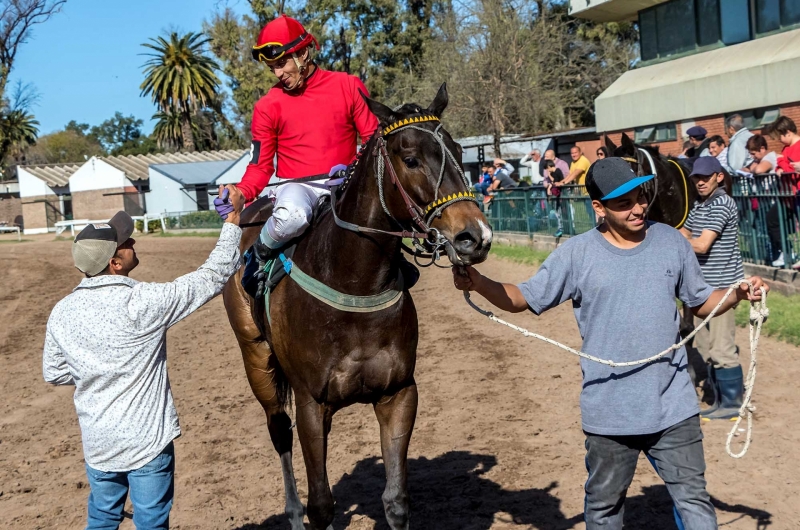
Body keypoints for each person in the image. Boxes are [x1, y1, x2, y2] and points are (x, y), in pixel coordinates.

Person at [452, 156, 768, 530]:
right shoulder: (577, 254)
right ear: (599, 208)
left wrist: (737, 293)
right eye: (623, 203)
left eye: (640, 197)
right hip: (609, 413)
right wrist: (478, 281)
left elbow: (700, 303)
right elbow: (522, 298)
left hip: (674, 407)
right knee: (603, 509)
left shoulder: (670, 241)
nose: (638, 208)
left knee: (694, 501)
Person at [43, 185, 246, 529]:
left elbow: (55, 372)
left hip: (99, 443)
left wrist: (96, 369)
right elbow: (213, 275)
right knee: (151, 522)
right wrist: (234, 220)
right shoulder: (144, 302)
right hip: (147, 441)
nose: (133, 243)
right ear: (115, 262)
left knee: (102, 518)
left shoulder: (61, 312)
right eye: (127, 243)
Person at [213, 15, 378, 258]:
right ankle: (258, 257)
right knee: (293, 216)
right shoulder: (266, 106)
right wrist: (241, 192)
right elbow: (260, 166)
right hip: (297, 189)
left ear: (302, 54)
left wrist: (353, 169)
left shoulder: (349, 85)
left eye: (281, 64)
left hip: (347, 182)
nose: (278, 73)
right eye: (272, 68)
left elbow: (373, 141)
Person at [680, 157, 745, 420]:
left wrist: (682, 237)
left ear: (719, 177)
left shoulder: (721, 203)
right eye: (696, 177)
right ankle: (718, 400)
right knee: (707, 349)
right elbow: (685, 233)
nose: (700, 181)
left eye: (705, 177)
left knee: (722, 349)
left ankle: (732, 404)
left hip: (723, 288)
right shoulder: (699, 205)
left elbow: (701, 244)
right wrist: (684, 236)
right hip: (704, 288)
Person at [765, 116, 800, 269]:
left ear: (787, 132)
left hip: (796, 192)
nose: (778, 140)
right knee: (772, 219)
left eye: (779, 136)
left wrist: (782, 164)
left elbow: (792, 168)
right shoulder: (786, 149)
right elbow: (787, 166)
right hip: (787, 195)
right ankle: (787, 252)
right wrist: (780, 167)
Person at [543, 159, 565, 237]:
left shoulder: (557, 171)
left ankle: (561, 228)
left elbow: (555, 182)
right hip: (557, 195)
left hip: (560, 195)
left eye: (547, 168)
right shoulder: (554, 172)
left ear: (549, 166)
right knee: (557, 211)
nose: (547, 170)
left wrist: (549, 176)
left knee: (559, 212)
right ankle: (561, 228)